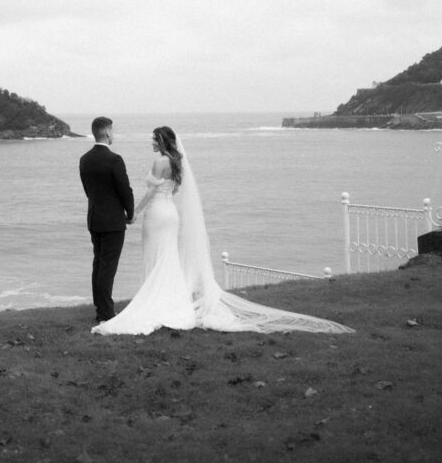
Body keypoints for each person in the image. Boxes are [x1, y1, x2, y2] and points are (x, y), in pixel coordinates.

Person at [92, 126, 354, 336]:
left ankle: (153, 299)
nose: (151, 142)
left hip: (156, 215)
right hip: (171, 213)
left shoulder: (159, 160)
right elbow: (175, 190)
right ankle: (169, 299)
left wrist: (135, 212)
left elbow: (151, 191)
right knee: (167, 257)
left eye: (154, 138)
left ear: (161, 141)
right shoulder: (176, 161)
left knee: (154, 256)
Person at [79, 116, 135, 323]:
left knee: (99, 264)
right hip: (112, 221)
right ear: (108, 133)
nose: (114, 134)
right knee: (108, 267)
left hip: (94, 219)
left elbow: (88, 190)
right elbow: (124, 190)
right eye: (113, 131)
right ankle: (106, 313)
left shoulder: (84, 159)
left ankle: (100, 308)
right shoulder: (114, 160)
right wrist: (130, 213)